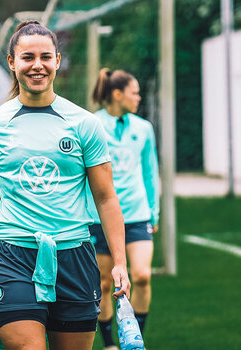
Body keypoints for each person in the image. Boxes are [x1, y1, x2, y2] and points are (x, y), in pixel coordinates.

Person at [0, 21, 131, 350]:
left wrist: (119, 262)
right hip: (14, 255)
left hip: (74, 256)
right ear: (11, 62)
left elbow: (106, 198)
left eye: (45, 57)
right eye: (27, 57)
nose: (37, 65)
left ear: (58, 60)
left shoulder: (85, 125)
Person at [88, 68, 160, 350]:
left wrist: (153, 211)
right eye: (135, 92)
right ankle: (109, 344)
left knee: (141, 276)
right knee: (105, 284)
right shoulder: (92, 124)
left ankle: (135, 340)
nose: (139, 97)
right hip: (100, 219)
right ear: (117, 94)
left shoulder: (143, 128)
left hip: (137, 215)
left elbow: (150, 171)